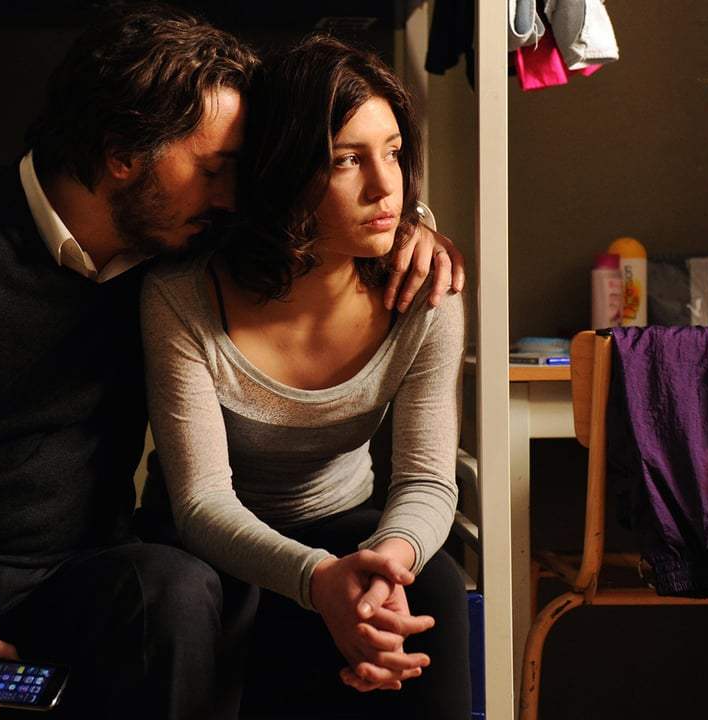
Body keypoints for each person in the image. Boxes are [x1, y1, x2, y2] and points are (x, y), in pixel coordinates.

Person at [0, 6, 463, 720]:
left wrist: (414, 228)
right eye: (214, 169)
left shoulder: (181, 251)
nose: (234, 196)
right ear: (123, 156)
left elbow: (312, 196)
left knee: (174, 587)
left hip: (74, 581)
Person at [141, 35, 471, 719]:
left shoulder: (425, 289)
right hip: (210, 543)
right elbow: (202, 502)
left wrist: (387, 565)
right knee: (191, 598)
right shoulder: (183, 295)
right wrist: (319, 580)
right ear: (285, 170)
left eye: (393, 153)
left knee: (434, 585)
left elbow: (427, 480)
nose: (386, 187)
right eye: (348, 160)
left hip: (348, 525)